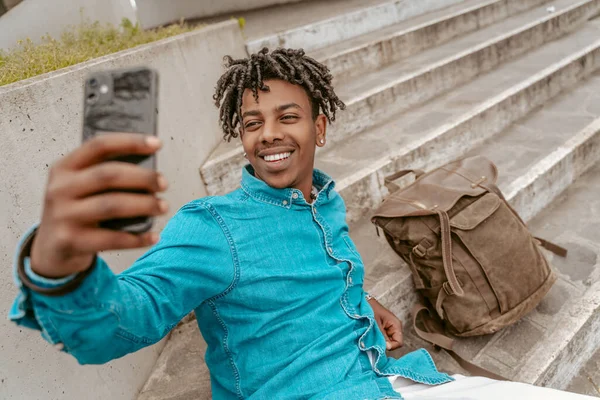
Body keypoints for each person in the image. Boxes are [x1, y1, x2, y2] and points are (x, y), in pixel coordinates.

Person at [8, 48, 593, 400]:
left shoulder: (326, 202)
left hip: (388, 376)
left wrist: (358, 299)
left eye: (288, 116)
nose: (268, 134)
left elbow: (297, 268)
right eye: (251, 122)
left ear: (321, 125)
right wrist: (60, 260)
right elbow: (119, 324)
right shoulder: (213, 226)